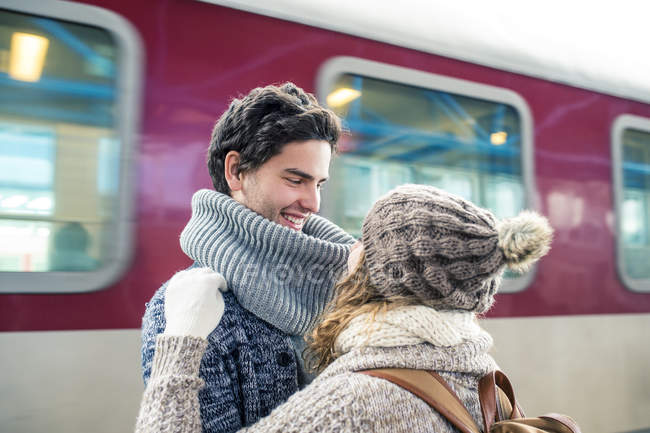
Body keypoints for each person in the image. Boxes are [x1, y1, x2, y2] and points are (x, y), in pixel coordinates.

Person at [135, 184, 553, 433]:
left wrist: (180, 344)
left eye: (365, 242)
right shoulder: (483, 376)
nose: (352, 248)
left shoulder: (353, 403)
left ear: (382, 274)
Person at [140, 83, 356, 432]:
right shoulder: (187, 313)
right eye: (295, 180)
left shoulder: (341, 287)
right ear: (236, 171)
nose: (313, 203)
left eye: (318, 184)